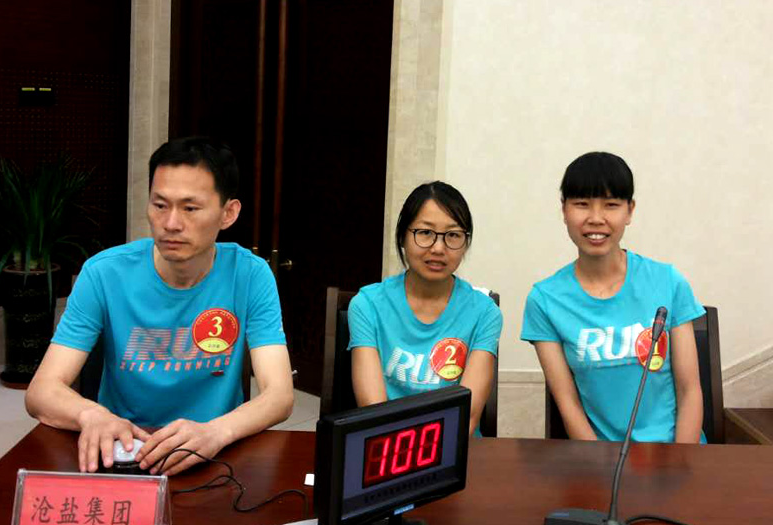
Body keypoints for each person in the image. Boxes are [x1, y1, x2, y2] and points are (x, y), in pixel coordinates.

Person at [26, 136, 294, 475]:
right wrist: (92, 415)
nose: (171, 224)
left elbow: (279, 394)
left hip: (213, 453)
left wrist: (217, 431)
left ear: (228, 213)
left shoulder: (250, 275)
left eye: (190, 208)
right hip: (124, 451)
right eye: (160, 205)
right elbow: (41, 391)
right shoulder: (104, 273)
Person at [521, 151, 704, 443]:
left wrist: (681, 461)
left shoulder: (668, 282)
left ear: (630, 211)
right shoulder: (545, 300)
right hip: (600, 459)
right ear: (564, 210)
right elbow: (568, 404)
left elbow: (689, 390)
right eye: (582, 204)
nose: (596, 219)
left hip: (675, 453)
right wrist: (599, 465)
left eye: (611, 205)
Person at [348, 181, 502, 436]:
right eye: (425, 232)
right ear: (402, 236)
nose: (438, 248)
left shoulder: (484, 313)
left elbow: (468, 416)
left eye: (453, 235)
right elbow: (373, 412)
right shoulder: (367, 305)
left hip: (457, 448)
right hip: (385, 445)